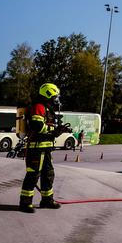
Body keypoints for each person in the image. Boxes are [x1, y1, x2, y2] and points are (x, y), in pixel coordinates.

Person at [18, 83, 70, 213]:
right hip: (36, 148)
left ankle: (47, 200)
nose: (56, 99)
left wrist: (58, 130)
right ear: (48, 94)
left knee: (48, 174)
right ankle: (25, 203)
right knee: (33, 175)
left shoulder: (47, 109)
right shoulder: (39, 107)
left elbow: (47, 127)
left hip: (45, 149)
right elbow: (36, 125)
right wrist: (53, 130)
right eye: (55, 96)